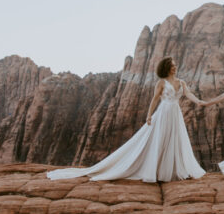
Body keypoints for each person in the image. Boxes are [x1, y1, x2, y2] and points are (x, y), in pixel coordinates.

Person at [46, 57, 206, 182]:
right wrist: (149, 115)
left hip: (175, 113)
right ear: (167, 67)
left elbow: (188, 94)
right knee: (160, 139)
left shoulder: (181, 82)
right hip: (164, 112)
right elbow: (155, 99)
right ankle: (156, 170)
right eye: (172, 64)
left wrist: (198, 101)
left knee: (174, 140)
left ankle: (172, 171)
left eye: (175, 64)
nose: (175, 66)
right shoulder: (162, 83)